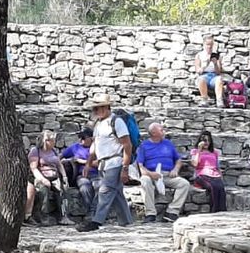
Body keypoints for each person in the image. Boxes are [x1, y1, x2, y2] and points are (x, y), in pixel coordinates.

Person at [81, 94, 134, 231]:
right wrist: (88, 163)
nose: (96, 111)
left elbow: (127, 145)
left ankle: (96, 221)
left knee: (105, 191)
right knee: (116, 194)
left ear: (106, 107)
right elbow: (95, 145)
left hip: (115, 162)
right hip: (103, 163)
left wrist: (125, 168)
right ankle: (126, 222)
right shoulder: (98, 124)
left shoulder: (117, 122)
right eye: (95, 109)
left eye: (98, 108)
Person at [134, 122, 192, 224]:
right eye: (161, 130)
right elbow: (140, 166)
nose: (164, 132)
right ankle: (150, 213)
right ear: (154, 133)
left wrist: (175, 170)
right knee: (145, 180)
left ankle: (172, 212)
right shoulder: (144, 146)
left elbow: (178, 160)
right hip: (150, 174)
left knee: (184, 184)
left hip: (167, 175)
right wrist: (151, 174)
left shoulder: (168, 144)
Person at [29, 130, 73, 226]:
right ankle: (43, 216)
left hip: (54, 176)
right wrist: (43, 180)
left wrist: (64, 176)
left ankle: (64, 216)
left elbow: (59, 164)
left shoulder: (53, 151)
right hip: (41, 177)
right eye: (52, 140)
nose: (54, 142)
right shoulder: (35, 151)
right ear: (46, 141)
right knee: (43, 191)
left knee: (62, 191)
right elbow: (33, 168)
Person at [61, 127, 98, 214]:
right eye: (80, 137)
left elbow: (98, 163)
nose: (81, 140)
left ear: (90, 138)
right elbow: (60, 156)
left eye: (84, 138)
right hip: (81, 175)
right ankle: (91, 211)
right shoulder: (75, 147)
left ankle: (96, 210)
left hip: (95, 173)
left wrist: (82, 161)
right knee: (85, 188)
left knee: (99, 187)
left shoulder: (97, 147)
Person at [190, 130, 228, 213]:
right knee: (213, 187)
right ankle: (214, 211)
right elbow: (195, 164)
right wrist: (199, 150)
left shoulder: (214, 152)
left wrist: (221, 177)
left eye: (208, 140)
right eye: (205, 140)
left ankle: (222, 211)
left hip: (214, 175)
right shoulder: (195, 151)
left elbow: (217, 166)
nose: (207, 143)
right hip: (202, 175)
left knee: (221, 188)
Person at [193, 35, 226, 107]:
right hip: (204, 75)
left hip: (214, 76)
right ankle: (204, 100)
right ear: (204, 45)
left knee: (219, 79)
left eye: (211, 45)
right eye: (208, 44)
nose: (209, 47)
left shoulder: (216, 55)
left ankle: (219, 100)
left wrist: (215, 64)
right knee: (201, 79)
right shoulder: (199, 55)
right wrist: (206, 64)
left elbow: (218, 72)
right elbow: (198, 71)